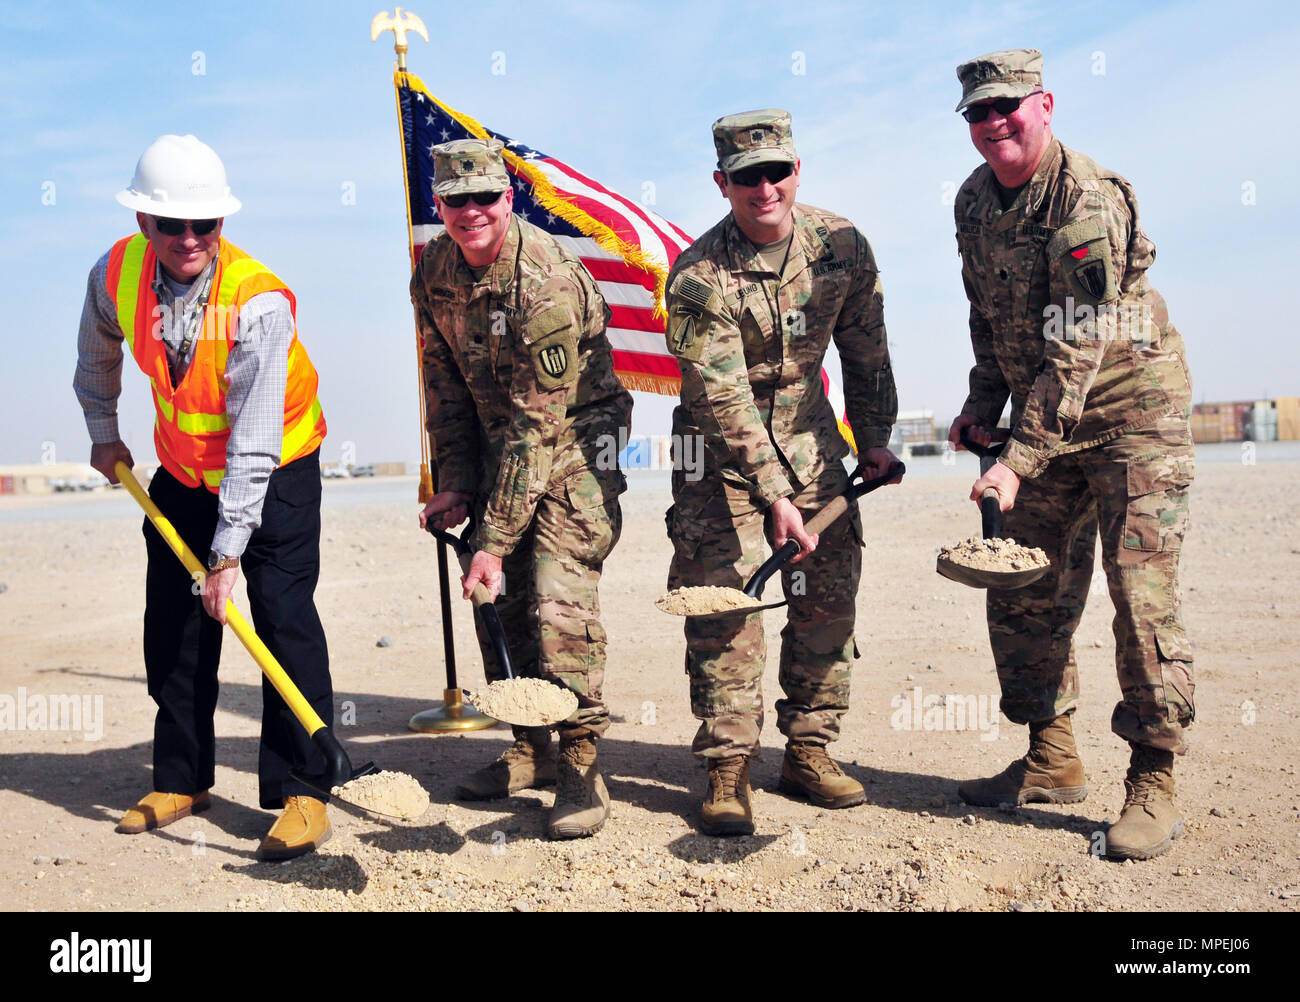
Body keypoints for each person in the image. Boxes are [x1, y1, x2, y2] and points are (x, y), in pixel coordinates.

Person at [947, 50, 1196, 860]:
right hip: (1044, 419)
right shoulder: (975, 203)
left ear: (1044, 104)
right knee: (1022, 585)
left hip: (1131, 414)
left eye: (1008, 108)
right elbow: (991, 323)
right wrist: (982, 410)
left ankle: (1152, 779)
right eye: (978, 114)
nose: (994, 125)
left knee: (1140, 594)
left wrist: (1015, 461)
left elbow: (1078, 351)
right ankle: (1050, 755)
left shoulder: (1086, 198)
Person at [75, 134, 336, 860]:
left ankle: (305, 791)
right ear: (142, 225)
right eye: (172, 225)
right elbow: (96, 348)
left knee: (282, 620)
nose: (189, 239)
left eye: (205, 225)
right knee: (176, 627)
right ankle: (183, 778)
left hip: (275, 470)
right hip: (184, 473)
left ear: (223, 222)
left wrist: (226, 559)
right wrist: (105, 430)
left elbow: (252, 443)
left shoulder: (258, 303)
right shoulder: (116, 272)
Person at [663, 109, 900, 837]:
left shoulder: (843, 247)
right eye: (745, 177)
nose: (763, 187)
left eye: (776, 171)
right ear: (721, 183)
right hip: (716, 462)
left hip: (813, 450)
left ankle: (809, 749)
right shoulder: (697, 278)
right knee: (725, 612)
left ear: (797, 171)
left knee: (826, 601)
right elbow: (722, 395)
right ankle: (728, 767)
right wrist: (773, 494)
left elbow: (865, 352)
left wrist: (877, 439)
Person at [413, 138, 632, 840]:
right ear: (439, 205)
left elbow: (541, 425)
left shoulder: (544, 281)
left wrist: (496, 541)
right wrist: (453, 484)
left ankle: (580, 761)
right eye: (456, 200)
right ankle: (529, 747)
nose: (471, 211)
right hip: (497, 441)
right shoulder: (432, 273)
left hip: (573, 441)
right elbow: (443, 391)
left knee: (555, 597)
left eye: (485, 197)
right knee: (496, 605)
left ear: (508, 199)